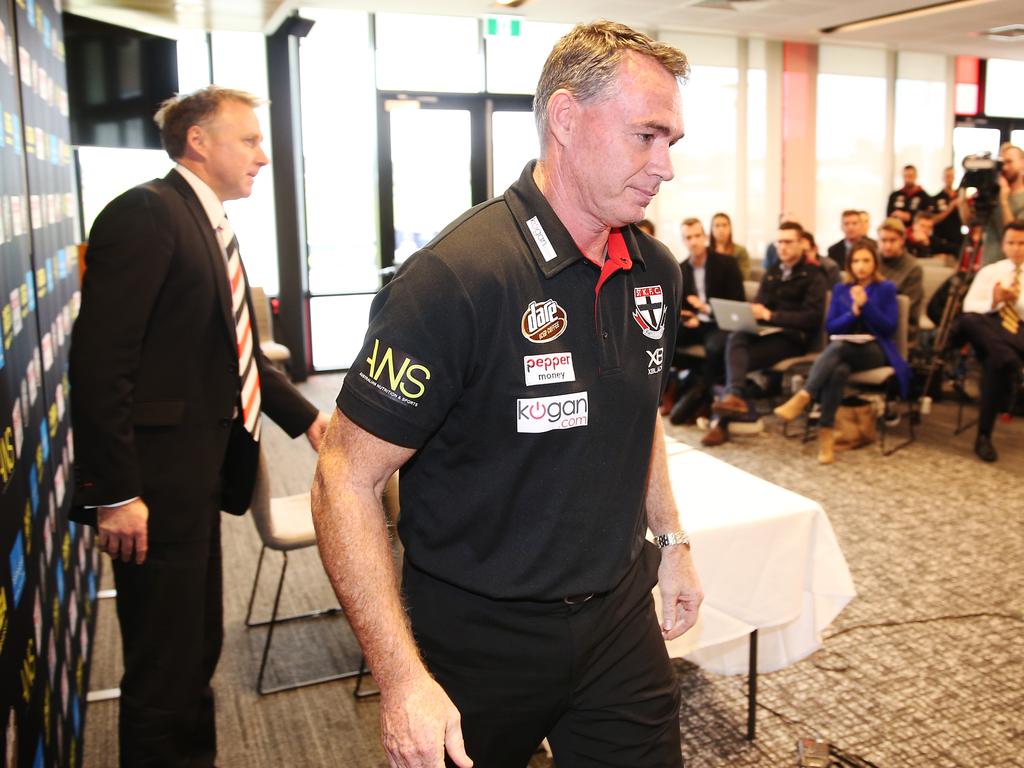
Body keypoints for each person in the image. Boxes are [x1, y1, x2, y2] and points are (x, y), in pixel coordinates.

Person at [311, 21, 702, 768]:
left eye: (672, 142)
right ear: (565, 118)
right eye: (646, 136)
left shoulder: (655, 269)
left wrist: (671, 541)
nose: (665, 167)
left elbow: (637, 414)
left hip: (618, 614)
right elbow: (343, 478)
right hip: (474, 635)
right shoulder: (457, 279)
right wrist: (400, 680)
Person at [69, 86, 329, 768]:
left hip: (196, 482)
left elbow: (232, 354)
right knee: (163, 670)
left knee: (194, 653)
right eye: (248, 140)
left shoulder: (204, 221)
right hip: (150, 494)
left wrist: (308, 421)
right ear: (199, 143)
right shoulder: (145, 215)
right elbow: (100, 367)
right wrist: (117, 494)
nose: (262, 157)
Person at [774, 239, 911, 463]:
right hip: (844, 350)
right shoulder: (841, 289)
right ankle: (826, 437)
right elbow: (831, 327)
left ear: (875, 263)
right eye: (856, 261)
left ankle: (804, 396)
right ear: (849, 265)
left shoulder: (886, 288)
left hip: (877, 350)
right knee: (838, 369)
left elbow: (889, 327)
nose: (861, 266)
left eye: (866, 260)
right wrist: (853, 313)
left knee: (838, 348)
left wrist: (866, 305)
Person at [704, 221, 827, 447]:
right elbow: (760, 304)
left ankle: (722, 419)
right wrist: (753, 313)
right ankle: (734, 401)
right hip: (768, 333)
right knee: (736, 337)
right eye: (779, 242)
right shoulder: (772, 273)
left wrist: (771, 316)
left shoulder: (814, 276)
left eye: (788, 241)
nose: (782, 247)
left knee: (733, 362)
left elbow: (811, 319)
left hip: (793, 338)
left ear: (802, 244)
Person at [951, 220, 1024, 462]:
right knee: (969, 321)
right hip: (988, 328)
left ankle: (984, 436)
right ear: (1003, 245)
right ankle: (1011, 363)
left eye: (1022, 243)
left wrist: (1016, 303)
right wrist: (994, 301)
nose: (1016, 248)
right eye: (1011, 243)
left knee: (996, 361)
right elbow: (970, 307)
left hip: (1016, 333)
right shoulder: (990, 272)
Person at [670, 217, 745, 424]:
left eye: (696, 236)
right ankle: (688, 384)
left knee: (714, 347)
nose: (693, 241)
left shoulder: (727, 264)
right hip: (696, 323)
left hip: (719, 323)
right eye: (688, 238)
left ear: (704, 237)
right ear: (683, 241)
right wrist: (688, 315)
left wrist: (707, 309)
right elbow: (679, 304)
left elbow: (738, 303)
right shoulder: (680, 268)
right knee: (666, 338)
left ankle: (705, 397)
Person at [877, 217, 924, 341]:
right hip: (874, 319)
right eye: (883, 240)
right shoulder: (873, 261)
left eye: (893, 240)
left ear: (902, 240)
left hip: (901, 324)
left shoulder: (913, 268)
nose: (887, 246)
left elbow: (907, 307)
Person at [980, 144, 1024, 266]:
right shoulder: (993, 195)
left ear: (1022, 163)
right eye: (1002, 163)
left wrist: (1004, 201)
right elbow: (970, 222)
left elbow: (1015, 234)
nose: (1004, 167)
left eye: (1009, 162)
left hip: (1014, 268)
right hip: (988, 265)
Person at [931, 165, 964, 256]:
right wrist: (951, 207)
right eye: (947, 176)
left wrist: (962, 206)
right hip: (940, 240)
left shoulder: (959, 197)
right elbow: (933, 220)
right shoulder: (936, 198)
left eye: (951, 176)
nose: (949, 179)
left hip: (957, 239)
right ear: (943, 178)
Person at [709, 211, 751, 279]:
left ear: (730, 228)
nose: (721, 229)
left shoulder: (740, 251)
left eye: (724, 225)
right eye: (717, 225)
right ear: (712, 229)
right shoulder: (705, 252)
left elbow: (744, 276)